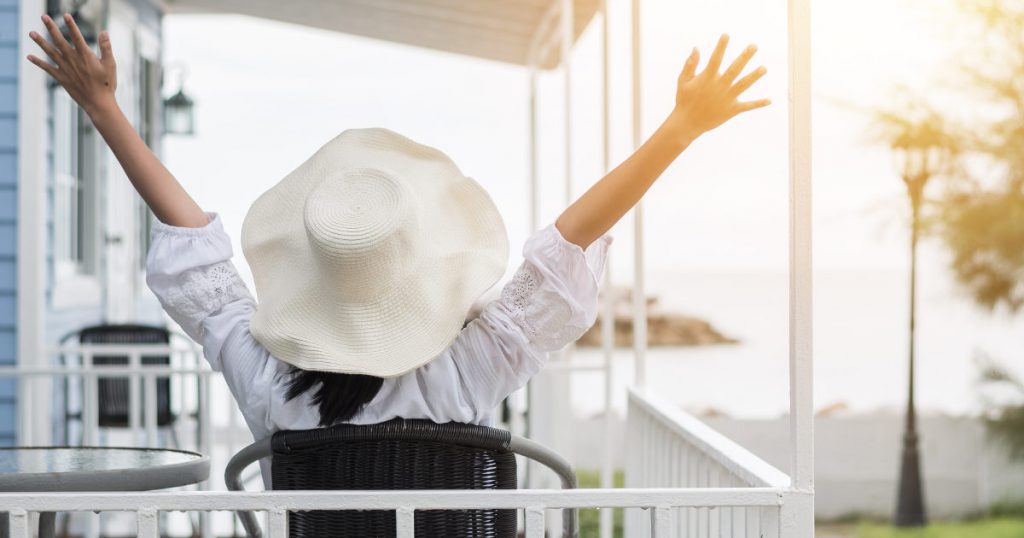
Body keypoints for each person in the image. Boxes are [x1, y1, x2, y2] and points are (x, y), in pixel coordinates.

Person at [28, 13, 769, 483]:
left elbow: (195, 253)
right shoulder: (467, 371)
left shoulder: (270, 385)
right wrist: (677, 131)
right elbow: (567, 247)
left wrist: (102, 109)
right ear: (423, 267)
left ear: (312, 273)